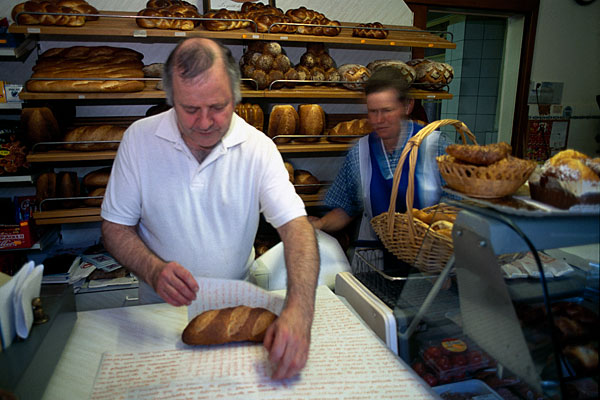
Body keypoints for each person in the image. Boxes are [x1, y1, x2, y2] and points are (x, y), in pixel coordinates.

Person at [100, 38, 319, 380]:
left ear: (236, 96)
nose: (204, 122)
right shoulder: (139, 140)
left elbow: (297, 228)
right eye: (190, 109)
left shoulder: (258, 148)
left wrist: (300, 311)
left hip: (237, 307)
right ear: (171, 99)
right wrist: (154, 270)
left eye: (218, 107)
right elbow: (115, 227)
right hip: (159, 310)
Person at [310, 66, 447, 255]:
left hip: (429, 259)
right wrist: (319, 224)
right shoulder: (360, 152)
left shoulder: (435, 146)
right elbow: (346, 207)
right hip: (375, 260)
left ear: (407, 106)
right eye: (373, 111)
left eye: (387, 110)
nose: (379, 119)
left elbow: (456, 211)